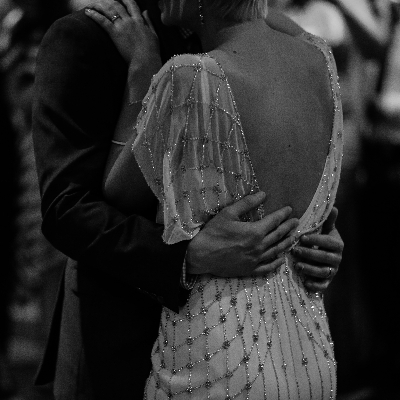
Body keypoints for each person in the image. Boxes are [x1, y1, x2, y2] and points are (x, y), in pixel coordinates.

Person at [32, 0, 343, 398]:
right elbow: (66, 210)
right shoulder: (85, 37)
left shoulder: (261, 34)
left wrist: (316, 235)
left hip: (241, 345)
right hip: (121, 330)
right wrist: (185, 257)